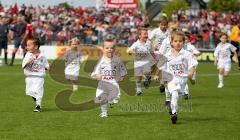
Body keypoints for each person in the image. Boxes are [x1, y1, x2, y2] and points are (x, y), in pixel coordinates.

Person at [160, 31, 198, 124]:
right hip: (171, 79)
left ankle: (173, 111)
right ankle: (174, 114)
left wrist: (191, 73)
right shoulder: (167, 55)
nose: (178, 43)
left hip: (182, 80)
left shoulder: (187, 54)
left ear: (183, 42)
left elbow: (192, 65)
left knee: (177, 98)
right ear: (171, 42)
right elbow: (162, 67)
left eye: (180, 41)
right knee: (175, 94)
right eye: (175, 41)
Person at [91, 38, 127, 118]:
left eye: (111, 48)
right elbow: (95, 72)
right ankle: (104, 112)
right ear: (103, 49)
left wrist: (122, 76)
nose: (109, 49)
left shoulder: (118, 60)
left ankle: (111, 101)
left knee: (117, 97)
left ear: (114, 49)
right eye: (107, 48)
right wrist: (97, 75)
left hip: (114, 82)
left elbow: (123, 70)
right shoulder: (100, 61)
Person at [22, 38, 49, 112]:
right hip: (29, 77)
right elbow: (23, 65)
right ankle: (38, 100)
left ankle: (38, 105)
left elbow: (46, 64)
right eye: (27, 45)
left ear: (36, 47)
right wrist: (28, 62)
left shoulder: (42, 56)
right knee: (30, 92)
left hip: (39, 77)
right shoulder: (28, 55)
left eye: (29, 45)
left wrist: (47, 68)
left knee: (38, 90)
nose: (27, 47)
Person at [127, 27, 156, 96]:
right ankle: (139, 90)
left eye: (147, 34)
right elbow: (130, 50)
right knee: (138, 76)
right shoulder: (136, 44)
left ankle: (147, 77)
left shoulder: (149, 43)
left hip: (146, 61)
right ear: (139, 36)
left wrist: (155, 57)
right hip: (137, 62)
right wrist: (130, 52)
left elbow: (152, 51)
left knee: (147, 72)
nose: (146, 35)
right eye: (144, 34)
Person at [182, 31, 201, 99]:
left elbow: (197, 52)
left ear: (189, 39)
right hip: (184, 65)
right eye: (184, 39)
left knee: (192, 80)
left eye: (186, 39)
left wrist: (197, 53)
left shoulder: (191, 47)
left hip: (192, 65)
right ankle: (186, 94)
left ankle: (192, 80)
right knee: (184, 79)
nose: (185, 40)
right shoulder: (180, 46)